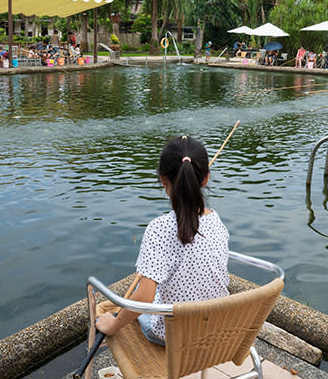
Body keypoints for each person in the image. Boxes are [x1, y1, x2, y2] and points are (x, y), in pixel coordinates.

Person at [95, 136, 229, 346]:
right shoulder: (217, 221)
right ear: (205, 179)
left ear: (162, 180)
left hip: (175, 338)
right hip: (215, 328)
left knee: (135, 306)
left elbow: (144, 299)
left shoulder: (159, 228)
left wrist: (112, 325)